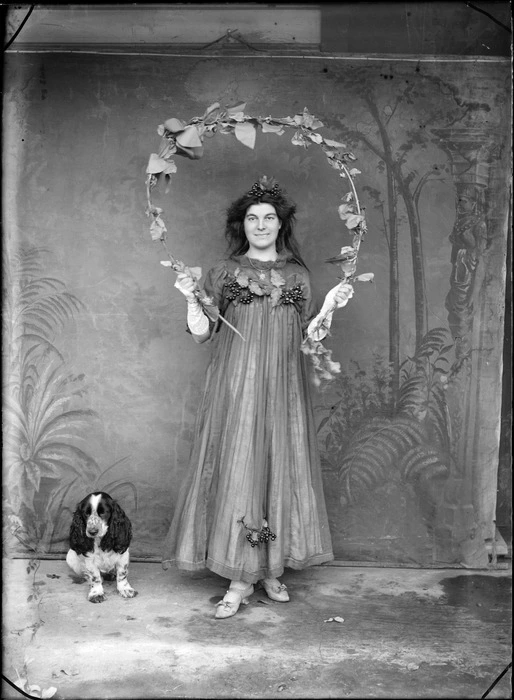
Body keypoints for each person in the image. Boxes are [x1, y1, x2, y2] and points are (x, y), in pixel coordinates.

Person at [162, 177, 353, 619]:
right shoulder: (224, 273)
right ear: (241, 225)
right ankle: (239, 577)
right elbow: (202, 333)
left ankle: (268, 567)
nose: (261, 225)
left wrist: (327, 308)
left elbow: (306, 337)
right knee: (242, 468)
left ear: (281, 225)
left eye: (269, 218)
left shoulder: (297, 275)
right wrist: (192, 299)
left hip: (283, 389)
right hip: (236, 389)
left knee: (276, 469)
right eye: (252, 218)